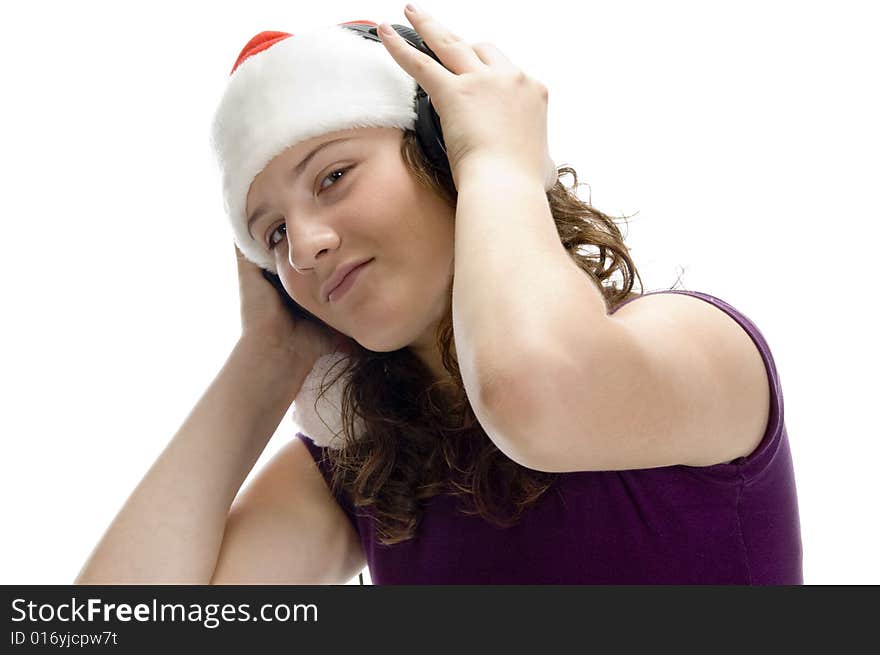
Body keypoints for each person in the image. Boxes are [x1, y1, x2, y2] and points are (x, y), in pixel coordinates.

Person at [74, 7, 802, 585]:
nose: (304, 246)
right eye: (271, 235)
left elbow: (535, 393)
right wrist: (269, 355)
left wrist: (496, 159)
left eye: (332, 177)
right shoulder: (360, 477)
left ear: (439, 148)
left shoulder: (700, 344)